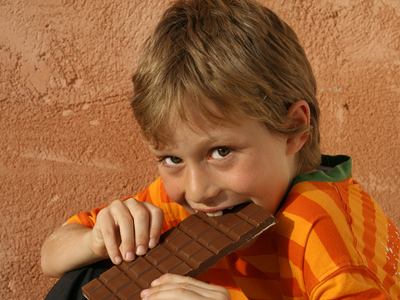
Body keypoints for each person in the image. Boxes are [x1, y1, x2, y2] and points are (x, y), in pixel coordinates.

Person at [41, 0, 400, 299]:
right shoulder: (189, 200)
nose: (197, 191)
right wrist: (97, 240)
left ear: (292, 129)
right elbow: (52, 256)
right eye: (172, 159)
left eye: (222, 152)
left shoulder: (317, 225)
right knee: (88, 273)